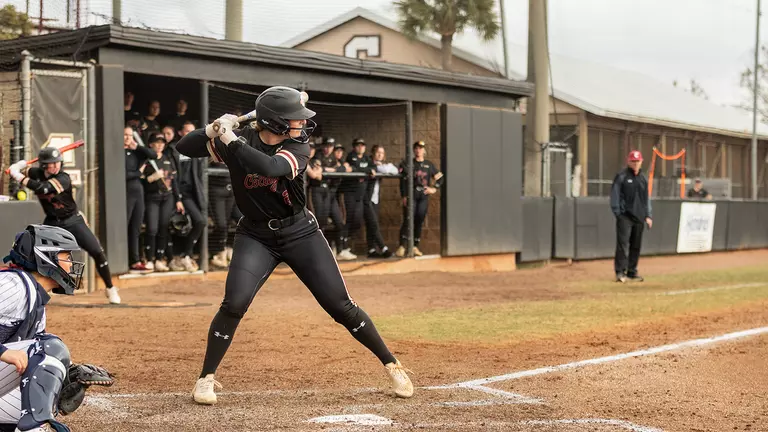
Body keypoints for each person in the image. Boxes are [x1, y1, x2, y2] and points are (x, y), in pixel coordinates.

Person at [176, 86, 413, 405]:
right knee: (234, 303)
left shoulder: (298, 145)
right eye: (294, 119)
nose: (302, 123)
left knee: (340, 306)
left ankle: (392, 364)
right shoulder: (238, 142)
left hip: (299, 231)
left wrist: (231, 140)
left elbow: (270, 168)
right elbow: (184, 147)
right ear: (274, 123)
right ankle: (205, 379)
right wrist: (212, 129)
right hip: (255, 235)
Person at [0, 224, 115, 432]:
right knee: (50, 348)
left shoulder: (35, 302)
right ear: (46, 256)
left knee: (39, 398)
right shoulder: (12, 285)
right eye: (67, 257)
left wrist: (63, 375)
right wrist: (3, 352)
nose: (71, 264)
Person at [8, 148, 121, 304]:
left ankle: (110, 288)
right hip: (53, 222)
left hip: (72, 220)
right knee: (37, 255)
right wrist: (18, 166)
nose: (55, 166)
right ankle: (31, 291)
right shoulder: (38, 173)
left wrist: (17, 175)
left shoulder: (63, 178)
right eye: (50, 164)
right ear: (43, 166)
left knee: (97, 251)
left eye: (57, 162)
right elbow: (27, 171)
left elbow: (43, 188)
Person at [167, 121, 206, 272]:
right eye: (187, 131)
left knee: (200, 221)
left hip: (191, 195)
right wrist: (178, 198)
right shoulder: (173, 149)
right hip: (174, 194)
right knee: (168, 225)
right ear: (180, 132)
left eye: (192, 131)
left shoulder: (197, 149)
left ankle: (186, 255)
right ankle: (172, 258)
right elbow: (172, 176)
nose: (189, 133)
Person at [141, 134, 183, 272]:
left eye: (162, 143)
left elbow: (174, 181)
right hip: (152, 197)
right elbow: (140, 181)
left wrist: (178, 200)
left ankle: (159, 259)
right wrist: (151, 178)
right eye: (156, 142)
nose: (159, 145)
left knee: (163, 228)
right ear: (150, 144)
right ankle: (149, 259)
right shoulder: (146, 160)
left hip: (167, 197)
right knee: (152, 229)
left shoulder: (167, 159)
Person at [610, 150, 653, 283]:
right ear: (628, 161)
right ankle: (620, 272)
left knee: (636, 245)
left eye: (637, 161)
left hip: (639, 217)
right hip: (625, 216)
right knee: (622, 245)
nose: (635, 164)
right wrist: (618, 213)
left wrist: (648, 215)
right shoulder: (621, 176)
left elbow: (646, 198)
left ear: (641, 162)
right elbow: (615, 195)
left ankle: (632, 271)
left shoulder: (643, 178)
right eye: (633, 161)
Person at [396, 141, 444, 257]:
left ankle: (414, 246)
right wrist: (404, 195)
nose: (418, 150)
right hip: (411, 194)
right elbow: (402, 181)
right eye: (416, 148)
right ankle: (402, 246)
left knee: (419, 219)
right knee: (408, 219)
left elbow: (440, 178)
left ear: (424, 150)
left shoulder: (429, 164)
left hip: (423, 195)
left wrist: (434, 189)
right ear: (413, 150)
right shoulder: (409, 163)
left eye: (420, 148)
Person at [124, 126, 159, 273]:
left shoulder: (136, 152)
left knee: (136, 227)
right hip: (125, 192)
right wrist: (138, 173)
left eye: (130, 135)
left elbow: (153, 155)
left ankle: (135, 260)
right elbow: (122, 174)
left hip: (138, 192)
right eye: (125, 135)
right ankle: (123, 260)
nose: (128, 138)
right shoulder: (119, 153)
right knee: (124, 226)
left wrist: (137, 146)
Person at [340, 138, 376, 258]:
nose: (360, 147)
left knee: (358, 221)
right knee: (348, 219)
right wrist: (367, 170)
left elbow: (373, 167)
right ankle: (342, 248)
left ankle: (345, 244)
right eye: (358, 145)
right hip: (349, 193)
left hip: (360, 196)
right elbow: (354, 168)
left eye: (362, 145)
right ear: (354, 147)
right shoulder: (351, 156)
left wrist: (369, 170)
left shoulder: (366, 158)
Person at [365, 145, 397, 258]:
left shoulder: (379, 165)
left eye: (382, 153)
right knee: (373, 224)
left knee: (371, 224)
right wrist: (381, 166)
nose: (380, 155)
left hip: (375, 199)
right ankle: (383, 248)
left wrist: (383, 166)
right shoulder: (369, 163)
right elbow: (384, 169)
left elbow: (394, 170)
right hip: (366, 199)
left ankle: (371, 249)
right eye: (378, 152)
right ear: (373, 153)